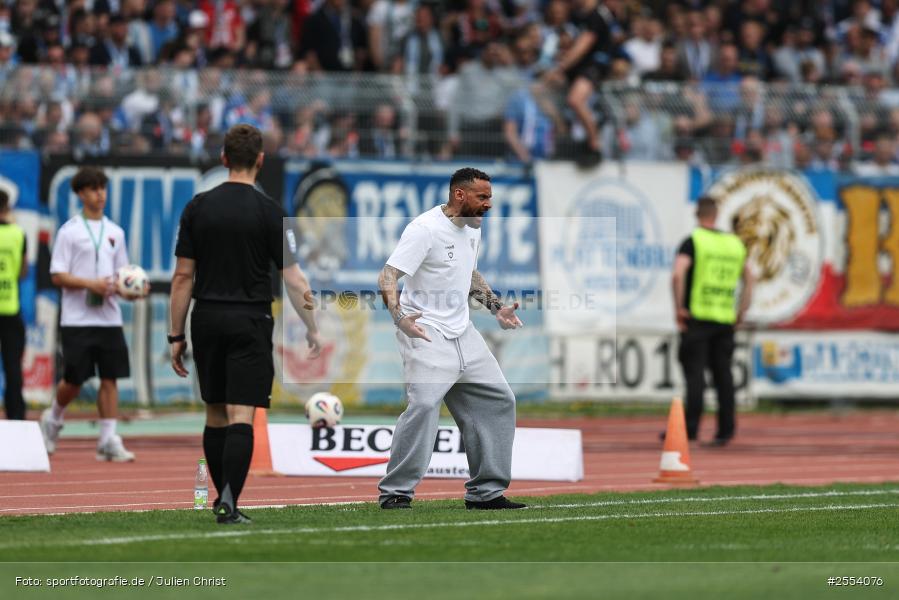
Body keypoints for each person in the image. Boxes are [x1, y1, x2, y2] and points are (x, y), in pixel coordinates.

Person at [169, 124, 322, 525]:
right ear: (260, 160)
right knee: (242, 415)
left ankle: (222, 497)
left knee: (214, 413)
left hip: (206, 319)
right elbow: (294, 277)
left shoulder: (197, 208)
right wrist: (311, 325)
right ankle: (229, 503)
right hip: (250, 319)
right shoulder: (271, 212)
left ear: (223, 159)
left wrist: (175, 335)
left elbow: (183, 276)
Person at [377, 167, 526, 510]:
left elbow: (468, 273)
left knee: (500, 400)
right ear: (460, 195)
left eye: (490, 197)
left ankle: (486, 493)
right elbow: (388, 275)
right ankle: (396, 491)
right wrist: (399, 318)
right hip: (426, 333)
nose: (489, 204)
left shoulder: (472, 227)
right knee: (425, 405)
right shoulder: (424, 229)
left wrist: (496, 307)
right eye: (482, 197)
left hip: (464, 333)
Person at [41, 167, 144, 461]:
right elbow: (58, 275)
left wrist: (132, 291)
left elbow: (122, 276)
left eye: (102, 188)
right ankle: (53, 419)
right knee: (74, 379)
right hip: (77, 318)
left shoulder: (115, 232)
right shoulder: (69, 231)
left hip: (109, 317)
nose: (100, 194)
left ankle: (107, 439)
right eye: (93, 189)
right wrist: (91, 284)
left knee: (110, 378)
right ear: (80, 194)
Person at [671, 197, 753, 447]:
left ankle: (691, 429)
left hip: (698, 317)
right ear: (717, 215)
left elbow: (678, 274)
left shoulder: (693, 241)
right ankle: (725, 430)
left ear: (698, 214)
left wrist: (679, 307)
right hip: (725, 319)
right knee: (723, 376)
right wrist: (742, 310)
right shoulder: (734, 244)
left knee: (695, 375)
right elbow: (751, 278)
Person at [0, 189, 27, 420]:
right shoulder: (18, 234)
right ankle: (16, 419)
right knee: (12, 369)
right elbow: (23, 271)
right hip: (9, 308)